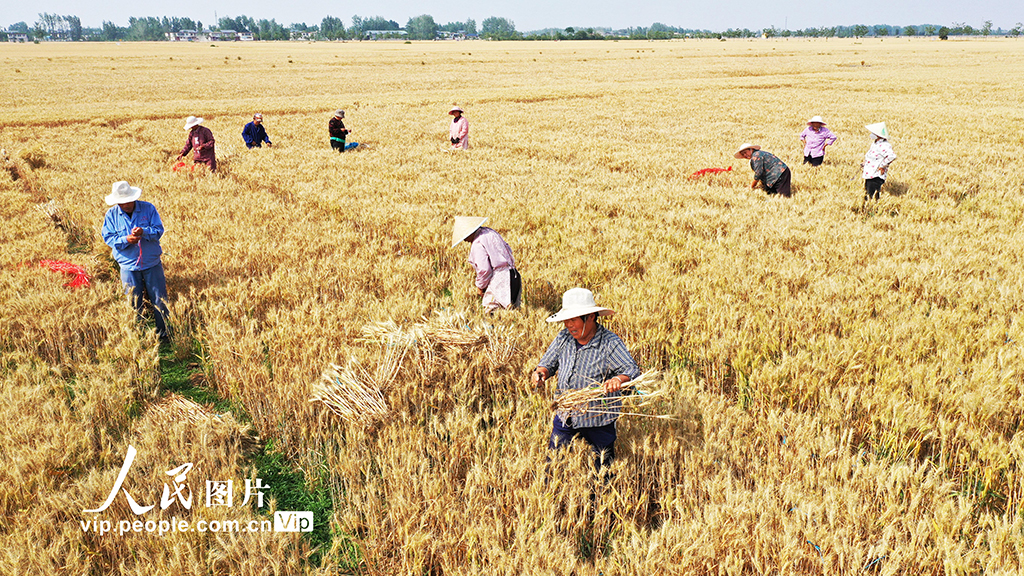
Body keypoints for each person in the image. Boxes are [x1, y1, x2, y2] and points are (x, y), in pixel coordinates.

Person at [531, 288, 642, 468]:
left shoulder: (609, 342)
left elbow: (631, 370)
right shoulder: (563, 338)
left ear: (590, 317)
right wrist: (540, 373)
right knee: (553, 466)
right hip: (566, 413)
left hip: (598, 419)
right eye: (566, 320)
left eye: (573, 319)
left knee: (602, 469)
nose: (569, 325)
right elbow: (547, 364)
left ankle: (601, 486)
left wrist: (617, 380)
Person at [101, 181, 170, 342]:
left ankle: (165, 334)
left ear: (134, 198)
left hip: (151, 262)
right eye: (122, 202)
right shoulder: (111, 215)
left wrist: (143, 232)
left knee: (159, 299)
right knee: (133, 301)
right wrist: (126, 239)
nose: (126, 205)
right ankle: (138, 336)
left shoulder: (148, 208)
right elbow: (108, 238)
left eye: (128, 201)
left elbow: (158, 230)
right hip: (128, 265)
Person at [451, 216, 521, 312]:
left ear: (469, 233)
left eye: (464, 237)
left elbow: (484, 269)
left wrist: (480, 287)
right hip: (514, 275)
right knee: (511, 313)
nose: (464, 240)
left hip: (502, 281)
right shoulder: (490, 232)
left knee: (492, 312)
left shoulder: (477, 243)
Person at [862, 122, 897, 200]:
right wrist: (866, 162)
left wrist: (882, 166)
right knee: (867, 191)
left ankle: (873, 206)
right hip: (870, 172)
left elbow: (892, 156)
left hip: (876, 173)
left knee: (872, 193)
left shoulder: (885, 145)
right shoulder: (875, 143)